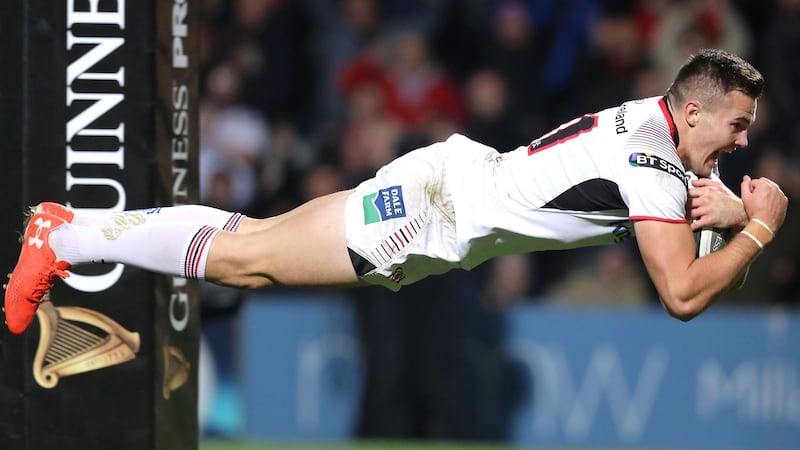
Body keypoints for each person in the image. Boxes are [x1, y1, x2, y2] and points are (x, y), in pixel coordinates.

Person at [4, 48, 788, 335]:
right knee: (245, 261)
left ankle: (67, 231)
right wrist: (758, 229)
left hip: (452, 187)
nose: (744, 141)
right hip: (429, 218)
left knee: (248, 240)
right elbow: (683, 297)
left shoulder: (667, 138)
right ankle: (62, 234)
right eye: (738, 125)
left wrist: (724, 216)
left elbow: (696, 240)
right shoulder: (656, 163)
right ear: (692, 112)